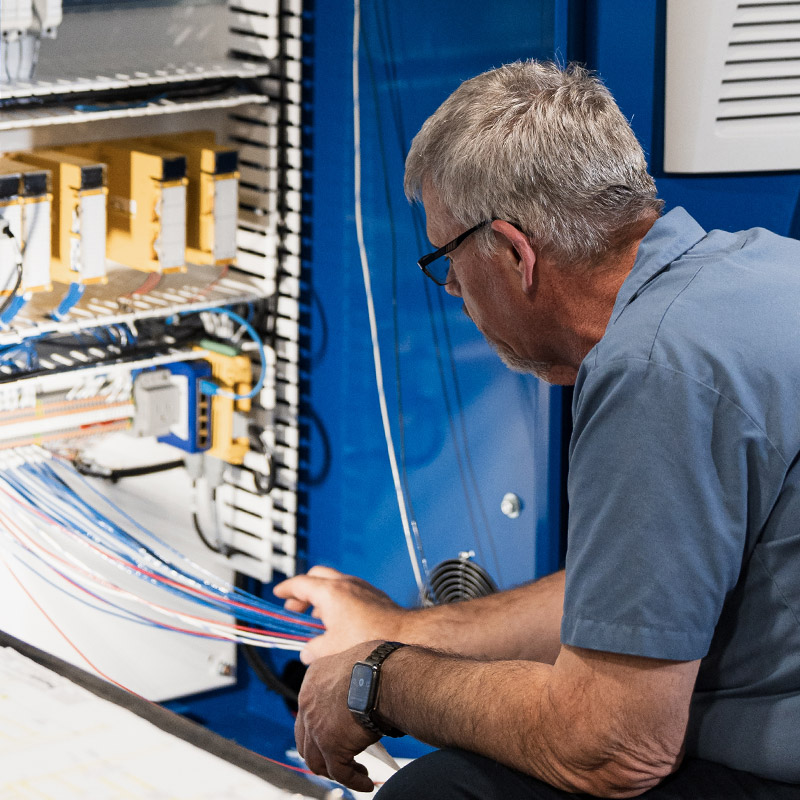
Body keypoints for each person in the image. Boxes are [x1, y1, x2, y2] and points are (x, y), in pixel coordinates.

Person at [273, 61, 800, 798]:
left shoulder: (654, 368)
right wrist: (398, 631)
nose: (454, 293)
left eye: (447, 266)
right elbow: (637, 598)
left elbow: (612, 749)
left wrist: (378, 681)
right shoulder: (763, 271)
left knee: (439, 792)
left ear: (514, 254)